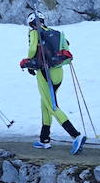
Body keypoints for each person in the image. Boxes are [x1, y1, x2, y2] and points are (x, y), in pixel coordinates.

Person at [20, 11, 84, 153]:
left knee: (52, 106)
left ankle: (76, 135)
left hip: (44, 72)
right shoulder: (56, 33)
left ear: (30, 23)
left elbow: (31, 50)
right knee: (45, 105)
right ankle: (44, 139)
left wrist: (28, 61)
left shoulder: (34, 32)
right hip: (58, 72)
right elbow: (66, 49)